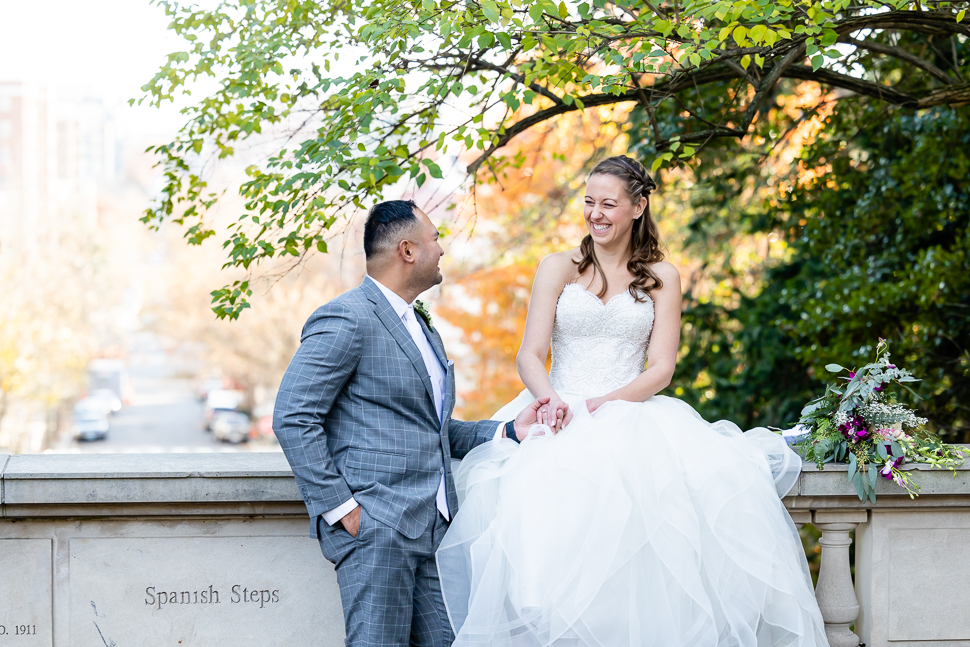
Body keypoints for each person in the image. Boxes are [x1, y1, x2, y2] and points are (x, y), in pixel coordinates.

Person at [436, 156, 829, 647]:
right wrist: (551, 400)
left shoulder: (663, 276)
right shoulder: (557, 267)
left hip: (629, 415)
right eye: (589, 202)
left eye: (608, 204)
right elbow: (531, 353)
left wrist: (601, 406)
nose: (595, 214)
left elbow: (661, 369)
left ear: (638, 206)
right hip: (553, 411)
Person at [273, 200, 565, 647]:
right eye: (434, 239)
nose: (442, 248)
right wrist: (344, 511)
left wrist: (506, 431)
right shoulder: (347, 317)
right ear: (407, 251)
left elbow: (429, 429)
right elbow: (293, 416)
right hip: (377, 530)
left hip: (435, 531)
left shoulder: (421, 327)